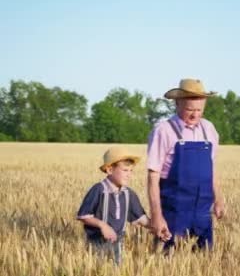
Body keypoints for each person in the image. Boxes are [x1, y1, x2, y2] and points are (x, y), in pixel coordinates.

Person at [146, 78, 225, 251]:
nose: (195, 115)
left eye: (199, 110)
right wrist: (157, 216)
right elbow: (153, 177)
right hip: (174, 211)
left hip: (203, 211)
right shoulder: (164, 130)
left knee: (204, 261)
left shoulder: (209, 129)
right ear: (177, 103)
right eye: (190, 109)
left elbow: (211, 169)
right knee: (168, 263)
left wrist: (218, 200)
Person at [76, 147, 150, 265]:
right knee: (97, 271)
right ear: (110, 170)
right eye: (125, 170)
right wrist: (102, 225)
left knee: (116, 272)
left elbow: (141, 218)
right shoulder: (99, 190)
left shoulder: (128, 194)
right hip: (97, 243)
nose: (129, 175)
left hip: (118, 242)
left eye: (131, 171)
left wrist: (157, 228)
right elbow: (83, 216)